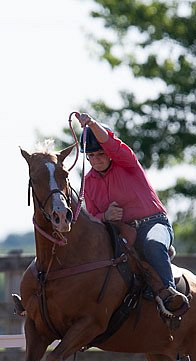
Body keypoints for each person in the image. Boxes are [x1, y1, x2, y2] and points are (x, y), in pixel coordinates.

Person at [76, 112, 188, 314]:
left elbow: (111, 142)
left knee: (153, 244)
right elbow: (92, 217)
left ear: (109, 153)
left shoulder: (127, 162)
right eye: (91, 156)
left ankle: (170, 294)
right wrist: (105, 216)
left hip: (154, 224)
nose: (96, 159)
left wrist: (92, 123)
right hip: (121, 234)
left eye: (100, 154)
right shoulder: (88, 182)